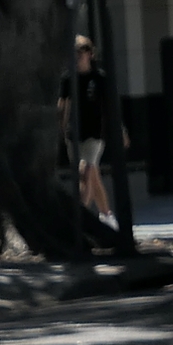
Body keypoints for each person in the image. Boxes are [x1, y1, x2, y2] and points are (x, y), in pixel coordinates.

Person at [60, 35, 116, 222]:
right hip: (74, 134)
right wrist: (62, 130)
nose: (77, 57)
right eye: (74, 53)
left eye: (81, 53)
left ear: (90, 54)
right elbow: (64, 105)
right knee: (90, 177)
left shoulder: (99, 78)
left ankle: (81, 219)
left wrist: (119, 129)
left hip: (95, 133)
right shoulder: (69, 79)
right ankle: (106, 215)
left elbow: (109, 105)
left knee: (87, 170)